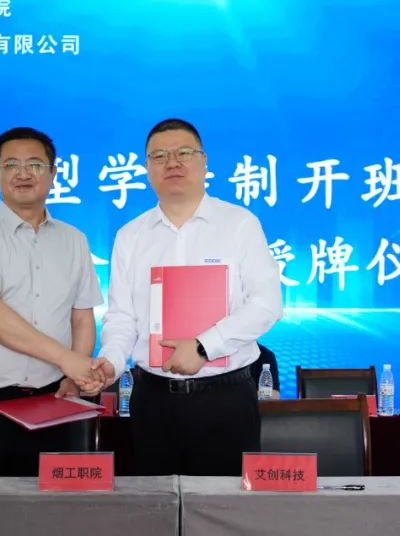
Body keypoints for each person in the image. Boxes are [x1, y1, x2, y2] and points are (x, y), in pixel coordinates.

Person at [89, 118, 283, 476]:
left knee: (225, 505)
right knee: (155, 504)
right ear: (147, 167)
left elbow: (266, 304)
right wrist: (110, 361)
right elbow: (122, 317)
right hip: (153, 400)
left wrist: (203, 347)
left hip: (226, 399)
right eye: (159, 156)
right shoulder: (130, 236)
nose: (172, 163)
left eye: (183, 153)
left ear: (204, 161)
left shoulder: (239, 224)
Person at [0, 127, 104, 476]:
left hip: (53, 401)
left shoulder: (74, 240)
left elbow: (81, 317)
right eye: (11, 164)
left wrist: (73, 377)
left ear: (53, 173)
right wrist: (67, 359)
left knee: (51, 505)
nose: (23, 173)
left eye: (34, 164)